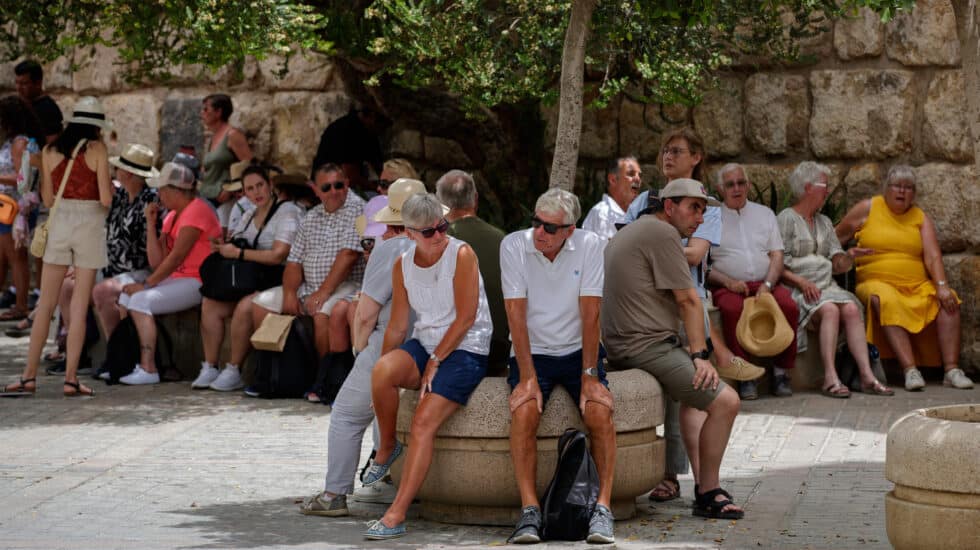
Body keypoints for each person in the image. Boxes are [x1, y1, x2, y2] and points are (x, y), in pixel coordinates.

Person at [625, 128, 759, 504]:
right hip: (648, 307)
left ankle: (695, 480)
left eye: (678, 151)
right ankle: (674, 477)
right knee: (666, 392)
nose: (668, 157)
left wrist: (650, 249)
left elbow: (696, 254)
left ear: (696, 157)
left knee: (692, 392)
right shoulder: (643, 202)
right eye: (665, 150)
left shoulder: (708, 205)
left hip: (689, 304)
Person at [602, 179, 744, 520]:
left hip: (629, 343)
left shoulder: (641, 229)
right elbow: (688, 301)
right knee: (726, 402)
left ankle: (685, 478)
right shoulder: (662, 234)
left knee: (696, 404)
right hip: (644, 348)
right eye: (693, 207)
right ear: (669, 207)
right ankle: (708, 491)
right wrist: (699, 357)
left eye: (703, 209)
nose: (699, 217)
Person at [363, 193, 492, 540]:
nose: (439, 236)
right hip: (427, 344)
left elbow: (466, 318)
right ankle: (387, 446)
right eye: (429, 232)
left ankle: (397, 513)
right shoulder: (402, 264)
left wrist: (435, 362)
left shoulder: (461, 253)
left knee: (422, 422)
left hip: (466, 347)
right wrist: (385, 367)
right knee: (381, 371)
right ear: (409, 234)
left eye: (442, 227)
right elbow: (398, 325)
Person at [298, 179, 421, 517]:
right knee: (388, 414)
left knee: (347, 416)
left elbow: (365, 315)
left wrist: (359, 349)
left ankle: (334, 493)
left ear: (393, 221)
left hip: (387, 344)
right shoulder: (445, 244)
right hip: (428, 346)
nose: (373, 241)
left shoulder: (391, 248)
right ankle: (389, 486)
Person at [501, 188, 616, 544]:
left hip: (578, 349)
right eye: (536, 222)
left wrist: (589, 375)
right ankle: (530, 511)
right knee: (524, 412)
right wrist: (528, 378)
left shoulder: (591, 244)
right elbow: (515, 315)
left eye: (550, 228)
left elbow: (591, 311)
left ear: (571, 229)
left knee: (599, 412)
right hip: (532, 351)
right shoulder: (514, 245)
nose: (540, 232)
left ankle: (603, 509)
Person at [1, 97, 113, 398]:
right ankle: (71, 379)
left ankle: (27, 378)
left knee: (47, 304)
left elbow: (48, 201)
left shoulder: (49, 151)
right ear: (96, 126)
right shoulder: (97, 150)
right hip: (89, 228)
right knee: (77, 307)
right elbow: (105, 198)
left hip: (59, 224)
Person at [836, 165, 973, 391]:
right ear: (886, 189)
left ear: (914, 194)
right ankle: (910, 370)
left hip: (916, 285)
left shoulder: (919, 217)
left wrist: (942, 286)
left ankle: (951, 370)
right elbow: (835, 238)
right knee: (884, 299)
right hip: (876, 282)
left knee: (949, 301)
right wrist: (840, 259)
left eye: (908, 188)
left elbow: (932, 256)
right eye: (897, 186)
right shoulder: (868, 208)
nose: (902, 192)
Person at [777, 162, 893, 397]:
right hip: (798, 288)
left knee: (850, 308)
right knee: (830, 310)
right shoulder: (786, 219)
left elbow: (837, 265)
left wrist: (848, 256)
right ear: (808, 187)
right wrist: (801, 282)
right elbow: (777, 263)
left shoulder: (825, 222)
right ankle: (830, 378)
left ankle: (866, 376)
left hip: (825, 287)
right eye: (824, 186)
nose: (827, 191)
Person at [251, 163, 365, 393]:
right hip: (309, 285)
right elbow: (294, 261)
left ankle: (321, 378)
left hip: (347, 284)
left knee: (322, 312)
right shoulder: (311, 216)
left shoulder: (358, 209)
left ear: (347, 184)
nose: (333, 191)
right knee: (260, 305)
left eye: (338, 185)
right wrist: (291, 293)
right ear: (316, 190)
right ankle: (273, 376)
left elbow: (349, 255)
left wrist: (323, 292)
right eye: (326, 187)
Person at [195, 163, 303, 392]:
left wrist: (240, 253)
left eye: (260, 185)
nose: (257, 192)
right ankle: (210, 365)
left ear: (270, 185)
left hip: (279, 279)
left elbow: (279, 254)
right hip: (251, 278)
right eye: (250, 189)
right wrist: (224, 248)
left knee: (246, 306)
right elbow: (237, 243)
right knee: (210, 304)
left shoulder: (287, 211)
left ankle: (234, 369)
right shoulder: (249, 214)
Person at [115, 162, 221, 385]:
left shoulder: (197, 210)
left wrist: (145, 286)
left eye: (162, 189)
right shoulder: (172, 216)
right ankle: (127, 360)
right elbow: (158, 262)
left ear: (175, 190)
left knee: (140, 300)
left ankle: (149, 367)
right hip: (178, 279)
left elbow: (176, 258)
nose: (158, 195)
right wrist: (151, 225)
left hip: (197, 281)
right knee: (126, 297)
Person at [708, 163, 799, 400]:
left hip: (765, 282)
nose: (736, 188)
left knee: (789, 306)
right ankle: (746, 376)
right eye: (730, 184)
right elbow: (702, 266)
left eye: (741, 183)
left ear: (748, 185)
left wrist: (768, 285)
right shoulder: (710, 219)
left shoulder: (764, 214)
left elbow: (777, 254)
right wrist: (727, 282)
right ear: (720, 188)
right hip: (728, 285)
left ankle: (781, 371)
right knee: (731, 309)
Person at [60, 144, 160, 351]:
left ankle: (115, 354)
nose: (115, 171)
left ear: (129, 174)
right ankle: (75, 351)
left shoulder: (151, 201)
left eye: (119, 168)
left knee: (102, 291)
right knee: (67, 285)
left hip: (136, 270)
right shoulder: (120, 197)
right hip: (110, 267)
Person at [436, 169, 509, 373]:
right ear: (475, 199)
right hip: (500, 351)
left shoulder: (438, 244)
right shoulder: (502, 240)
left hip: (461, 352)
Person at [0, 96, 43, 322]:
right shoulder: (26, 140)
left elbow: (21, 179)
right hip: (10, 204)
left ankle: (20, 306)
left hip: (12, 205)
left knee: (16, 257)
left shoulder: (19, 143)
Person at [310, 105, 384, 194]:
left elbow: (379, 165)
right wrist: (377, 187)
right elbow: (350, 175)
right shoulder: (348, 130)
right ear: (372, 116)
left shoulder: (369, 132)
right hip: (331, 188)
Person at [200, 94, 253, 203]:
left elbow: (249, 165)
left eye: (206, 109)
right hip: (207, 195)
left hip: (223, 200)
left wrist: (231, 189)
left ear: (218, 112)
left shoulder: (233, 135)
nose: (202, 113)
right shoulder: (212, 137)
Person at [582, 155, 641, 239]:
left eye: (639, 175)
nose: (638, 179)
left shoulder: (642, 212)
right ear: (613, 180)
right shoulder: (601, 214)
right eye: (631, 174)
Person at [14, 60, 62, 144]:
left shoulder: (48, 109)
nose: (19, 88)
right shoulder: (21, 104)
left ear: (38, 83)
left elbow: (51, 145)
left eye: (24, 83)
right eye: (17, 83)